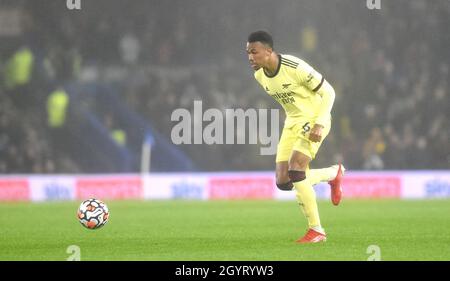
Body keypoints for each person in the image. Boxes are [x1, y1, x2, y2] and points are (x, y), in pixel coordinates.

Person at [246, 30, 345, 243]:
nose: (250, 57)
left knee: (296, 169)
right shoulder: (259, 75)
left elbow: (329, 92)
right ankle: (333, 173)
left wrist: (319, 123)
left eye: (254, 52)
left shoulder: (294, 66)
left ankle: (317, 230)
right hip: (293, 122)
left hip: (315, 118)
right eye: (247, 53)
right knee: (283, 181)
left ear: (269, 51)